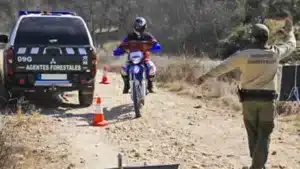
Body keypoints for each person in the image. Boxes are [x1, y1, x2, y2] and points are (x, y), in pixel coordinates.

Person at [196, 16, 296, 169]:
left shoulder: (244, 54)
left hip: (248, 100)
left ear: (252, 37)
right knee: (264, 133)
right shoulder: (275, 53)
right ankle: (258, 165)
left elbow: (223, 66)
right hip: (268, 101)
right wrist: (290, 32)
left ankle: (256, 164)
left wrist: (204, 77)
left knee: (252, 132)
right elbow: (291, 45)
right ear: (267, 37)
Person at [113, 17, 161, 94]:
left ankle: (150, 85)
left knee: (152, 68)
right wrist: (119, 50)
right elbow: (121, 46)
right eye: (137, 26)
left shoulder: (148, 36)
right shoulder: (129, 37)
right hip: (131, 59)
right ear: (134, 26)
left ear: (144, 27)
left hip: (145, 58)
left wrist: (155, 47)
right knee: (123, 70)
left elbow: (156, 44)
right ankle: (126, 85)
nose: (138, 28)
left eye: (140, 26)